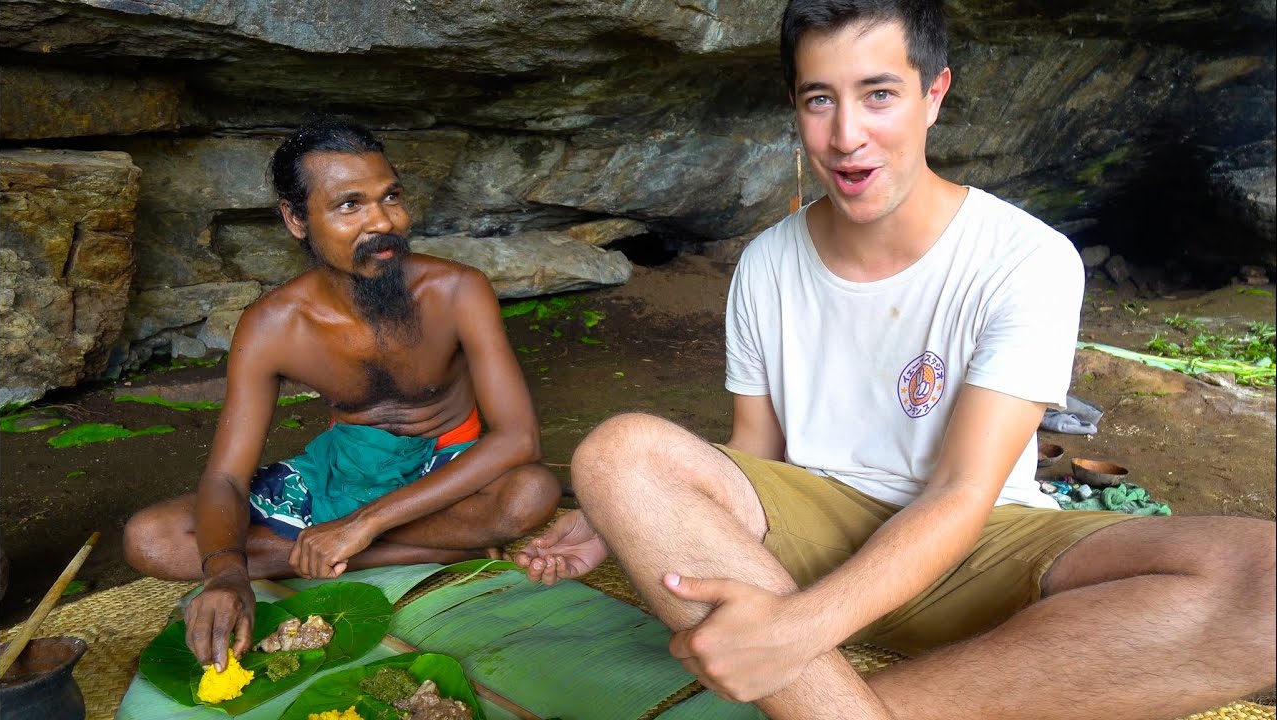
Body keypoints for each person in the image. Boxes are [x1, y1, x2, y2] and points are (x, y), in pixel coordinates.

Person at [514, 2, 1277, 718]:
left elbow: (961, 489)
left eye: (878, 94)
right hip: (812, 528)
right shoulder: (767, 263)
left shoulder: (1025, 259)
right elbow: (754, 455)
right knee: (619, 454)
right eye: (820, 100)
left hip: (981, 542)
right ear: (796, 105)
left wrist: (801, 628)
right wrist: (632, 515)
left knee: (1268, 583)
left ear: (933, 94)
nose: (847, 135)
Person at [124, 117, 561, 671]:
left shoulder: (457, 289)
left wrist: (363, 525)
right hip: (341, 475)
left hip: (446, 468)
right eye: (349, 205)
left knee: (528, 494)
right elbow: (226, 478)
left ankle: (341, 547)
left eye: (391, 197)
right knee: (152, 538)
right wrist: (226, 574)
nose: (383, 221)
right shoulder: (273, 325)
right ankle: (431, 550)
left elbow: (519, 438)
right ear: (296, 219)